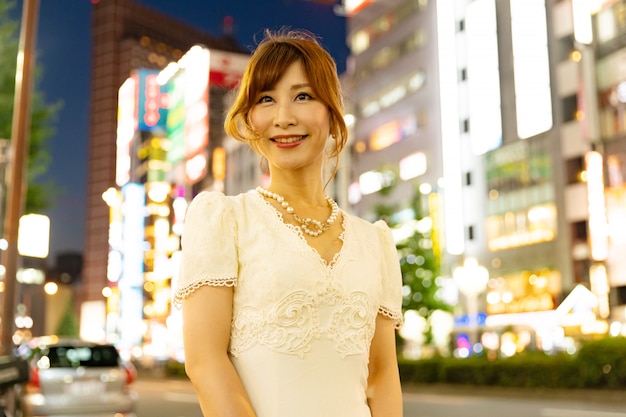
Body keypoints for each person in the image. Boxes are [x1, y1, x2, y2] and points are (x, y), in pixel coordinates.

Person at [173, 29, 403, 417]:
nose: (283, 118)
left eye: (303, 96)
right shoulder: (225, 220)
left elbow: (381, 376)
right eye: (266, 99)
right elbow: (205, 361)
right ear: (249, 120)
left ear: (332, 112)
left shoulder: (374, 242)